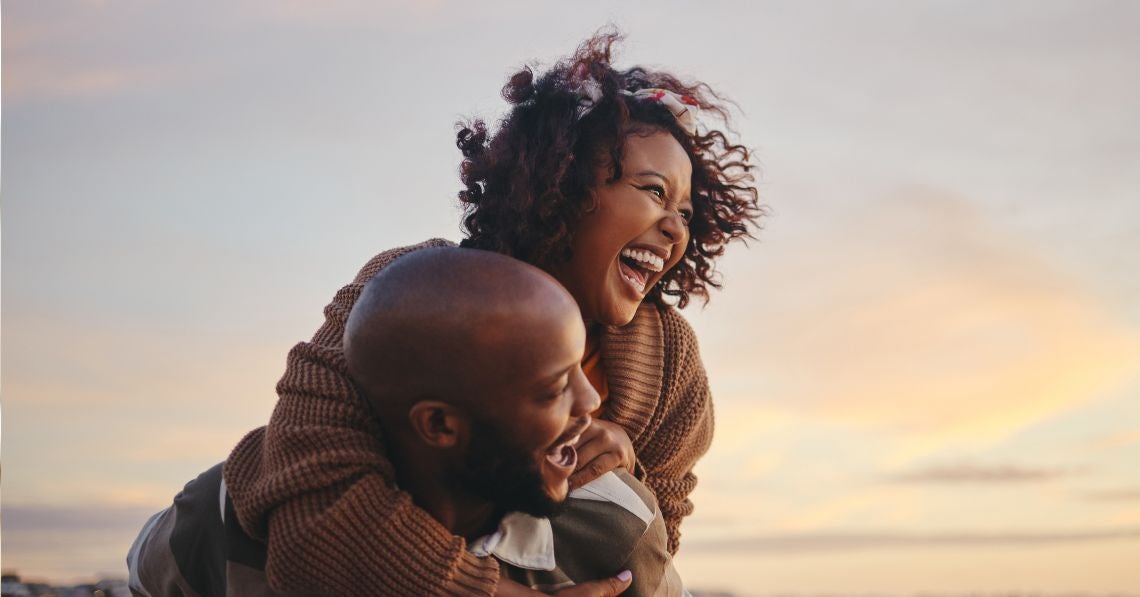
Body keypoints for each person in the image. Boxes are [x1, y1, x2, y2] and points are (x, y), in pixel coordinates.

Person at [223, 30, 762, 595]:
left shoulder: (669, 360)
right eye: (654, 191)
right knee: (259, 471)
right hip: (363, 562)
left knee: (622, 510)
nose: (677, 226)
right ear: (564, 185)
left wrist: (628, 468)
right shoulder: (413, 291)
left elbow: (654, 543)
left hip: (521, 554)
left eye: (685, 209)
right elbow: (311, 489)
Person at [127, 248, 680, 596]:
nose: (591, 405)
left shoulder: (617, 534)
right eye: (555, 388)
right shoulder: (220, 522)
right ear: (439, 425)